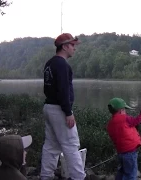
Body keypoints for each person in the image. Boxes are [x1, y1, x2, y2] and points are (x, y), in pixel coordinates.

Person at [40, 33, 86, 180]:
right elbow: (63, 89)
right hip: (59, 109)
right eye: (72, 45)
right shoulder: (62, 64)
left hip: (49, 107)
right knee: (71, 145)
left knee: (51, 145)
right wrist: (68, 112)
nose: (74, 48)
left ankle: (46, 176)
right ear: (65, 46)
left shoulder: (49, 63)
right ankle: (79, 177)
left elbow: (48, 89)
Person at [106, 97, 141, 180]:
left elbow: (123, 129)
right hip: (130, 153)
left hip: (121, 153)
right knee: (131, 175)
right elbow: (136, 121)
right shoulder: (124, 118)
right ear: (121, 110)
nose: (126, 112)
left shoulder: (110, 124)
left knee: (122, 171)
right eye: (125, 110)